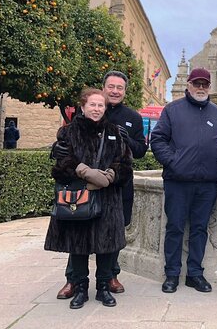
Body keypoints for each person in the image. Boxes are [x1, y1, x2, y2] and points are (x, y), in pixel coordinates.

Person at [55, 70, 147, 299]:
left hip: (113, 190)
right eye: (111, 87)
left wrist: (112, 171)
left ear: (124, 91)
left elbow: (137, 153)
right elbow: (66, 148)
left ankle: (109, 277)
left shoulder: (132, 118)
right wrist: (64, 157)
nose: (115, 91)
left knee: (111, 235)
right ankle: (74, 281)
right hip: (80, 188)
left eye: (120, 88)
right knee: (78, 233)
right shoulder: (77, 120)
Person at [44, 88, 133, 309]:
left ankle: (103, 287)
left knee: (106, 245)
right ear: (83, 107)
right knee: (79, 246)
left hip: (108, 198)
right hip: (79, 197)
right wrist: (85, 172)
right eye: (92, 105)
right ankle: (80, 288)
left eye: (100, 105)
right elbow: (61, 165)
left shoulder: (114, 132)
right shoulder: (68, 132)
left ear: (105, 108)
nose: (96, 109)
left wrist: (111, 175)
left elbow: (125, 162)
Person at [150, 68, 217, 294]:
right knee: (174, 227)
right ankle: (172, 274)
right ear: (189, 85)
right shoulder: (172, 110)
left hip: (206, 184)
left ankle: (195, 274)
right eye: (197, 83)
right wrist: (173, 162)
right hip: (177, 182)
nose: (201, 88)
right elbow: (158, 139)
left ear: (209, 87)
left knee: (199, 229)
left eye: (205, 84)